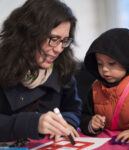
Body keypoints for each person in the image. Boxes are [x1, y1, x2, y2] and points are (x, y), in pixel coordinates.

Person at [0, 0, 82, 143]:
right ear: (29, 35)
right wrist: (33, 123)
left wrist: (68, 122)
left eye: (64, 41)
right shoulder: (3, 66)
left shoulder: (63, 67)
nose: (59, 49)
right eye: (54, 39)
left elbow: (73, 108)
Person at [80, 28, 129, 143]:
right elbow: (84, 115)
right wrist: (91, 123)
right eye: (99, 64)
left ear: (127, 61)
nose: (104, 69)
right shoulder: (95, 88)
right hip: (105, 143)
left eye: (111, 64)